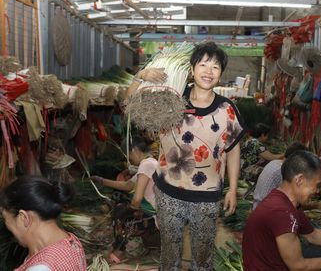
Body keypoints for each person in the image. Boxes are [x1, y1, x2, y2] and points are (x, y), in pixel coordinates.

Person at [126, 42, 245, 270]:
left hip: (207, 198)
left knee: (202, 259)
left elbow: (233, 149)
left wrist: (232, 189)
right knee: (169, 257)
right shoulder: (171, 97)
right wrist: (141, 76)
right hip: (169, 194)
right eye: (203, 64)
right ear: (191, 69)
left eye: (216, 67)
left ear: (221, 74)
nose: (209, 71)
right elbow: (129, 103)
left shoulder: (227, 109)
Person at [242, 151, 321, 271]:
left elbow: (313, 235)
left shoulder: (286, 201)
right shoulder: (281, 213)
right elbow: (298, 267)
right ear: (300, 180)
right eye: (316, 185)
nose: (317, 191)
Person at [91, 134, 158, 263]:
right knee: (121, 206)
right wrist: (102, 181)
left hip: (155, 212)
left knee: (123, 214)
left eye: (128, 155)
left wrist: (129, 210)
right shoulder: (150, 162)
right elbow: (128, 185)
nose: (129, 159)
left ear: (134, 150)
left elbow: (137, 200)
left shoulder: (146, 164)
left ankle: (119, 252)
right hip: (153, 209)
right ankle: (121, 247)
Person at [0, 175, 86, 271]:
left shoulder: (40, 268)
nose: (6, 224)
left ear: (23, 218)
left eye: (5, 218)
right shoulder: (71, 242)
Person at [252, 141, 321, 211]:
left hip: (259, 206)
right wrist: (317, 205)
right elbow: (294, 202)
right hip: (265, 211)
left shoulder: (276, 163)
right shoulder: (283, 171)